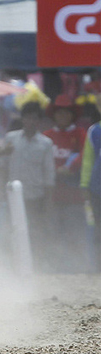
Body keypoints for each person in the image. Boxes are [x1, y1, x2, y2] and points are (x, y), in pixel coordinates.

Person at [0, 102, 56, 272]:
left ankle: (37, 265)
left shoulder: (46, 143)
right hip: (13, 196)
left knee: (36, 232)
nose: (31, 121)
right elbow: (3, 166)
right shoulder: (11, 138)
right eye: (28, 117)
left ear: (39, 121)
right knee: (13, 231)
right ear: (23, 119)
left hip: (35, 196)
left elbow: (49, 175)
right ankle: (13, 266)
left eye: (35, 118)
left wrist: (49, 202)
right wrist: (0, 190)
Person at [43, 94, 87, 272]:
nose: (62, 116)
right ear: (54, 115)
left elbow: (86, 155)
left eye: (66, 113)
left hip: (74, 194)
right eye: (59, 113)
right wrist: (54, 171)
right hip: (52, 194)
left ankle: (77, 266)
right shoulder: (47, 136)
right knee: (53, 231)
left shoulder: (80, 134)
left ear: (72, 115)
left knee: (74, 230)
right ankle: (56, 266)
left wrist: (71, 168)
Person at [80, 94, 101, 272]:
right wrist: (85, 185)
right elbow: (88, 160)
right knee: (97, 228)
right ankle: (96, 265)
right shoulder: (94, 131)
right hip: (97, 188)